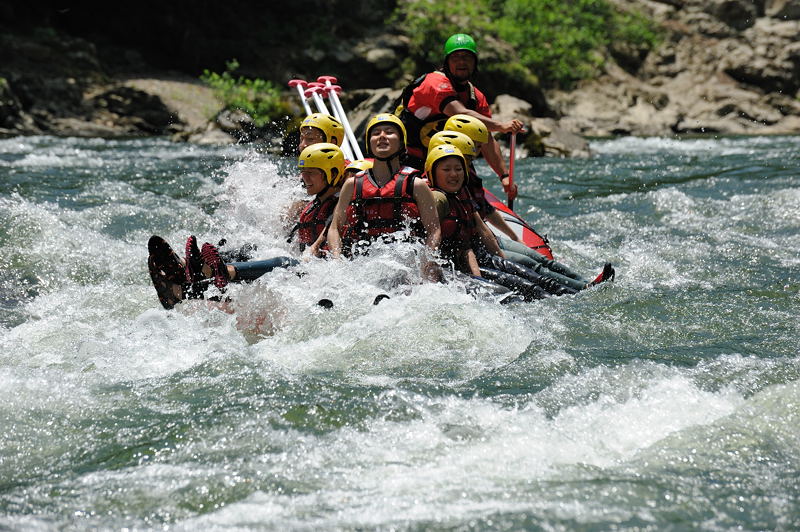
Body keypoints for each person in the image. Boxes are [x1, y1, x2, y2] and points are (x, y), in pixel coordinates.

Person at [148, 143, 347, 309]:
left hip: (319, 273)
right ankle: (187, 274)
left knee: (285, 262)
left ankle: (218, 272)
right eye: (303, 172)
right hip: (306, 269)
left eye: (311, 173)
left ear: (333, 173)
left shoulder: (340, 204)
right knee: (250, 249)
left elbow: (331, 231)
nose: (304, 178)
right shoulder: (311, 204)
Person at [396, 33, 523, 202]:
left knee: (473, 192)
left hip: (451, 164)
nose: (462, 62)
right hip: (411, 160)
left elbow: (485, 138)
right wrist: (501, 126)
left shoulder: (476, 97)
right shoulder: (433, 83)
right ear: (447, 62)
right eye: (456, 57)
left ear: (475, 63)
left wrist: (504, 176)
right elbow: (459, 112)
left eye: (467, 57)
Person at [326, 113, 442, 281]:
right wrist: (337, 262)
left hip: (405, 267)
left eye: (389, 132)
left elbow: (434, 230)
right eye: (376, 133)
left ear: (401, 142)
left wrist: (426, 263)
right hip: (363, 265)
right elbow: (335, 228)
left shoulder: (416, 185)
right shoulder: (352, 184)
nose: (382, 136)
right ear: (369, 142)